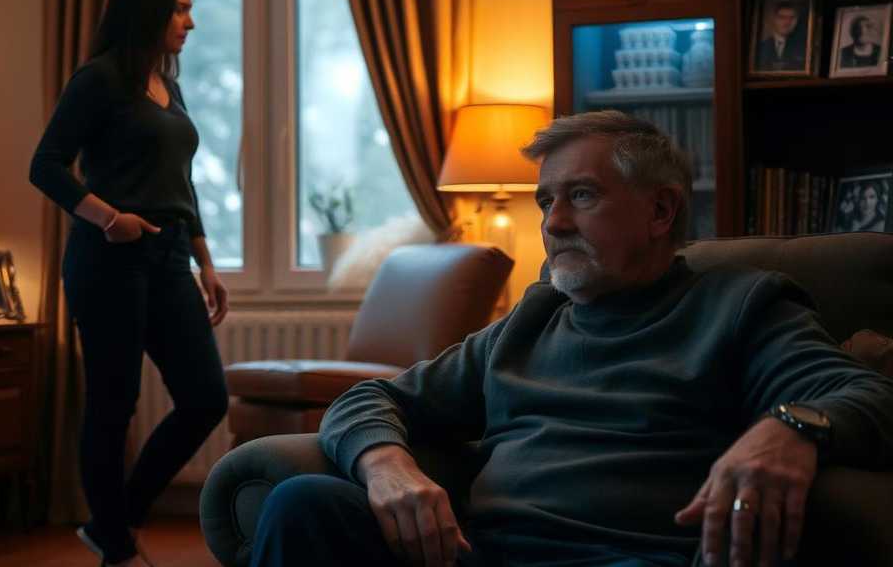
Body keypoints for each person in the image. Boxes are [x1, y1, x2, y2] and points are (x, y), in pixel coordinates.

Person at [248, 111, 893, 567]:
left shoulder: (741, 306)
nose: (553, 223)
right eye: (545, 201)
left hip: (632, 557)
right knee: (303, 503)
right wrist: (386, 466)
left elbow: (867, 393)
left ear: (661, 210)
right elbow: (369, 398)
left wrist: (789, 428)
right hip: (483, 553)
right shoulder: (533, 319)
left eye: (581, 196)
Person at [29, 0, 229, 567]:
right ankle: (116, 542)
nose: (190, 22)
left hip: (169, 258)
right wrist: (109, 218)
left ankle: (115, 519)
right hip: (108, 260)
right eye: (181, 9)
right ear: (149, 12)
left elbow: (180, 184)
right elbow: (45, 165)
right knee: (113, 405)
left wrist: (205, 261)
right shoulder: (99, 79)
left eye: (190, 9)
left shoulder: (168, 84)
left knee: (205, 398)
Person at [756, 1, 807, 72]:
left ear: (797, 20)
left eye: (792, 18)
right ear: (774, 19)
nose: (787, 22)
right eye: (782, 17)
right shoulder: (761, 47)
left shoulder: (804, 47)